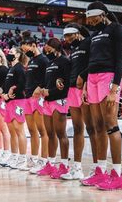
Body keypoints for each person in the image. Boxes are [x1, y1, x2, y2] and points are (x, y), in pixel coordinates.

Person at [81, 1, 122, 190]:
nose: (90, 23)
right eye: (88, 20)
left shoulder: (117, 29)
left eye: (92, 19)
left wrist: (114, 87)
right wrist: (85, 84)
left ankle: (117, 175)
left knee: (110, 125)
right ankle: (101, 170)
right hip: (91, 79)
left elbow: (120, 60)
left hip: (108, 78)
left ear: (102, 14)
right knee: (98, 125)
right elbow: (92, 61)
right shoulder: (95, 34)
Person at [59, 23, 98, 180]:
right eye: (65, 37)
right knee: (77, 129)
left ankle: (97, 168)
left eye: (69, 36)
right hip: (72, 89)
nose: (67, 40)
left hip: (85, 89)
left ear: (77, 33)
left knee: (91, 128)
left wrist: (86, 82)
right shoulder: (74, 50)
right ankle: (77, 168)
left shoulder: (89, 42)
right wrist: (63, 80)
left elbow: (93, 64)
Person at [40, 38, 71, 179]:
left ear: (56, 48)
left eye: (48, 49)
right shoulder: (49, 63)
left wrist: (50, 92)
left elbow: (65, 87)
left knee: (61, 133)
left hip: (59, 101)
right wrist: (42, 90)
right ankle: (50, 164)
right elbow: (48, 83)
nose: (46, 51)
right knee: (50, 134)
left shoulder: (65, 61)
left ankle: (64, 166)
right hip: (47, 102)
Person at [20, 37, 49, 173]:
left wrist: (41, 86)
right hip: (28, 98)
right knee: (32, 131)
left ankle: (43, 160)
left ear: (33, 45)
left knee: (42, 131)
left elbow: (48, 77)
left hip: (38, 98)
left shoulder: (44, 60)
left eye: (27, 50)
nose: (26, 53)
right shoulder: (31, 61)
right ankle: (33, 159)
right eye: (23, 51)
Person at [1, 47, 27, 170]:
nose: (9, 54)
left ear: (17, 55)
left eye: (11, 52)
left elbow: (23, 84)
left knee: (19, 130)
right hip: (9, 102)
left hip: (19, 102)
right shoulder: (11, 68)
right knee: (12, 131)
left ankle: (22, 159)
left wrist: (13, 89)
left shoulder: (20, 68)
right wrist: (5, 94)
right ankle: (14, 156)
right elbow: (7, 86)